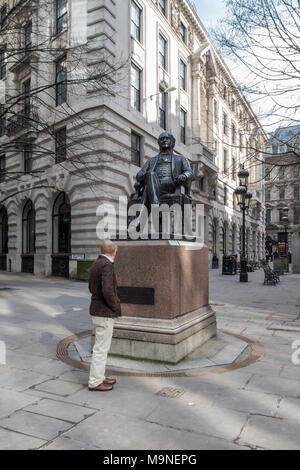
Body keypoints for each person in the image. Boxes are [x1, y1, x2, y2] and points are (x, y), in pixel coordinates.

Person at [88, 240, 121, 392]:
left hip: (97, 309)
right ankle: (95, 381)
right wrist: (115, 306)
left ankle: (99, 377)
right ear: (113, 252)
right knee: (101, 349)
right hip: (104, 312)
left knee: (100, 347)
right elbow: (107, 290)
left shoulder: (96, 263)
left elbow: (91, 287)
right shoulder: (107, 265)